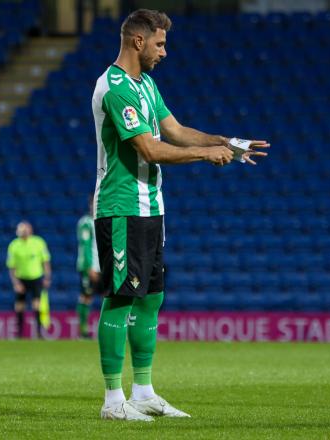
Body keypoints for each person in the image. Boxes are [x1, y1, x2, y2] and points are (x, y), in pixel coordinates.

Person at [91, 9, 269, 421]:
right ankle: (112, 401)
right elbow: (150, 150)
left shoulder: (146, 85)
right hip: (121, 207)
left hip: (152, 208)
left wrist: (227, 142)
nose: (164, 52)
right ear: (138, 41)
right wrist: (206, 155)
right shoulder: (115, 88)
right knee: (121, 297)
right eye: (160, 43)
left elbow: (174, 130)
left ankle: (144, 391)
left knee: (151, 298)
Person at [6, 221, 52, 338]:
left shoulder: (39, 242)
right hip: (21, 279)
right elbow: (11, 267)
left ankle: (39, 333)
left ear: (30, 230)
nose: (23, 232)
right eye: (21, 230)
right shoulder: (13, 245)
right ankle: (20, 334)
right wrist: (16, 283)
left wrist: (47, 277)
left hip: (36, 278)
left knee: (37, 305)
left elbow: (45, 261)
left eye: (25, 229)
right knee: (19, 306)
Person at [76, 196, 102, 339]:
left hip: (103, 267)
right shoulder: (86, 223)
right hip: (90, 267)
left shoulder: (104, 220)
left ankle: (108, 330)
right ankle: (83, 331)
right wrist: (88, 267)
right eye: (94, 203)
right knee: (86, 296)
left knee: (109, 297)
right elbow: (85, 247)